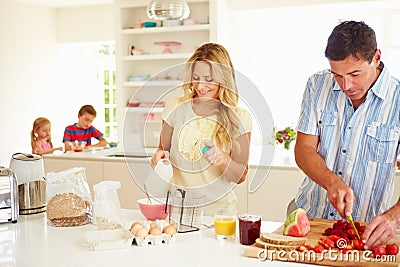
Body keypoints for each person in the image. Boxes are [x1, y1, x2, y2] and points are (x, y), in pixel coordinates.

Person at [293, 20, 400, 249]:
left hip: (367, 230)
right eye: (337, 75)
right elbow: (303, 150)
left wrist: (394, 217)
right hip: (311, 219)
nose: (346, 85)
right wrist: (331, 182)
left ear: (376, 57)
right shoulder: (316, 85)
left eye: (354, 74)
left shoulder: (398, 99)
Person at [150, 43, 252, 216]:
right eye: (196, 77)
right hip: (177, 209)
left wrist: (223, 159)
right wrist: (159, 157)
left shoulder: (240, 117)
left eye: (209, 79)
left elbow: (240, 176)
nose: (200, 86)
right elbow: (163, 149)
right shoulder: (175, 105)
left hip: (219, 212)